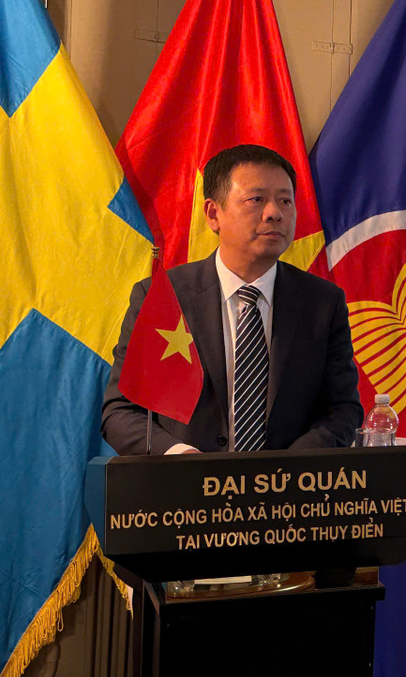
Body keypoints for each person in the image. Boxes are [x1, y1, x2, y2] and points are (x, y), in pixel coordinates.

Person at [102, 144, 362, 454]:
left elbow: (343, 409)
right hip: (185, 481)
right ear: (214, 214)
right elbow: (121, 411)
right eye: (256, 199)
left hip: (290, 483)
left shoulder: (323, 302)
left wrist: (289, 468)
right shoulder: (162, 296)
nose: (274, 213)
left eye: (285, 200)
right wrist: (179, 457)